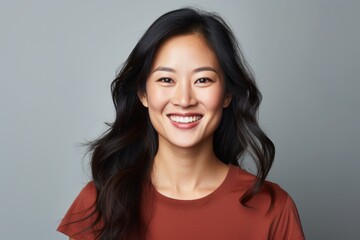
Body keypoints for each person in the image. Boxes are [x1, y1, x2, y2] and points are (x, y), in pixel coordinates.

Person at [57, 7, 305, 240]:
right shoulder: (99, 202)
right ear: (143, 94)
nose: (184, 100)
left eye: (203, 80)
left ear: (227, 94)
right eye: (166, 79)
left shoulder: (273, 207)